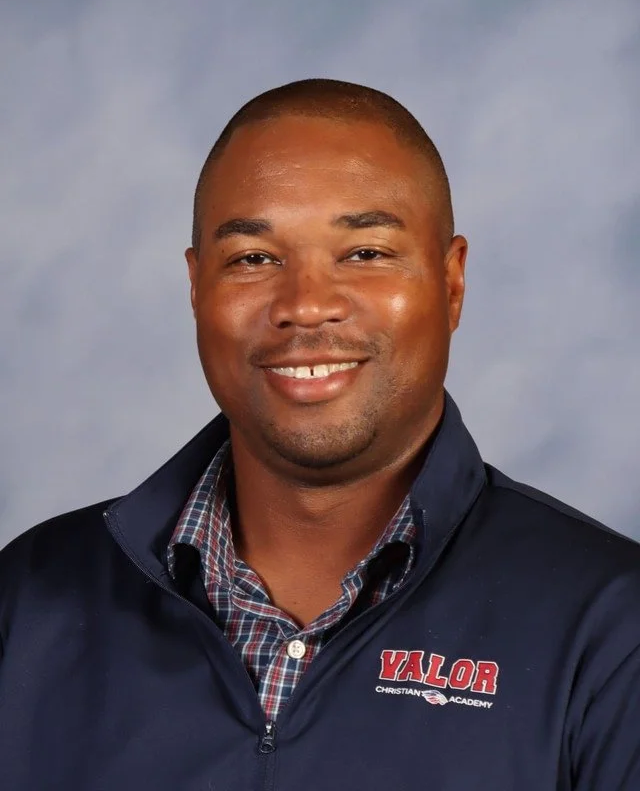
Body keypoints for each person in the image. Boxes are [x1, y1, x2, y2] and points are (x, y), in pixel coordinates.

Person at [0, 79, 638, 791]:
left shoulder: (612, 629)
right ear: (195, 287)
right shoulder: (28, 602)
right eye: (253, 259)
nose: (305, 306)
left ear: (452, 282)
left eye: (365, 253)